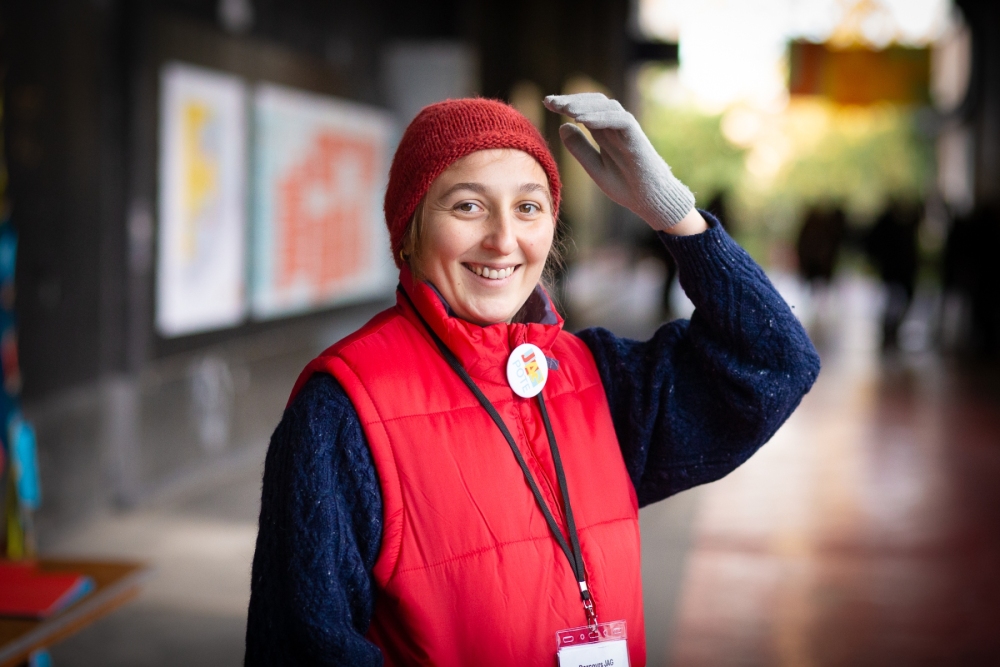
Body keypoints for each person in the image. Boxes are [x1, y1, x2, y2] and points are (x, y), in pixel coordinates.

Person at [245, 93, 821, 666]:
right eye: (468, 206)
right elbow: (304, 649)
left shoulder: (597, 379)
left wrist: (674, 213)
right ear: (410, 229)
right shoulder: (345, 408)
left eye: (528, 207)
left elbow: (775, 365)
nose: (503, 240)